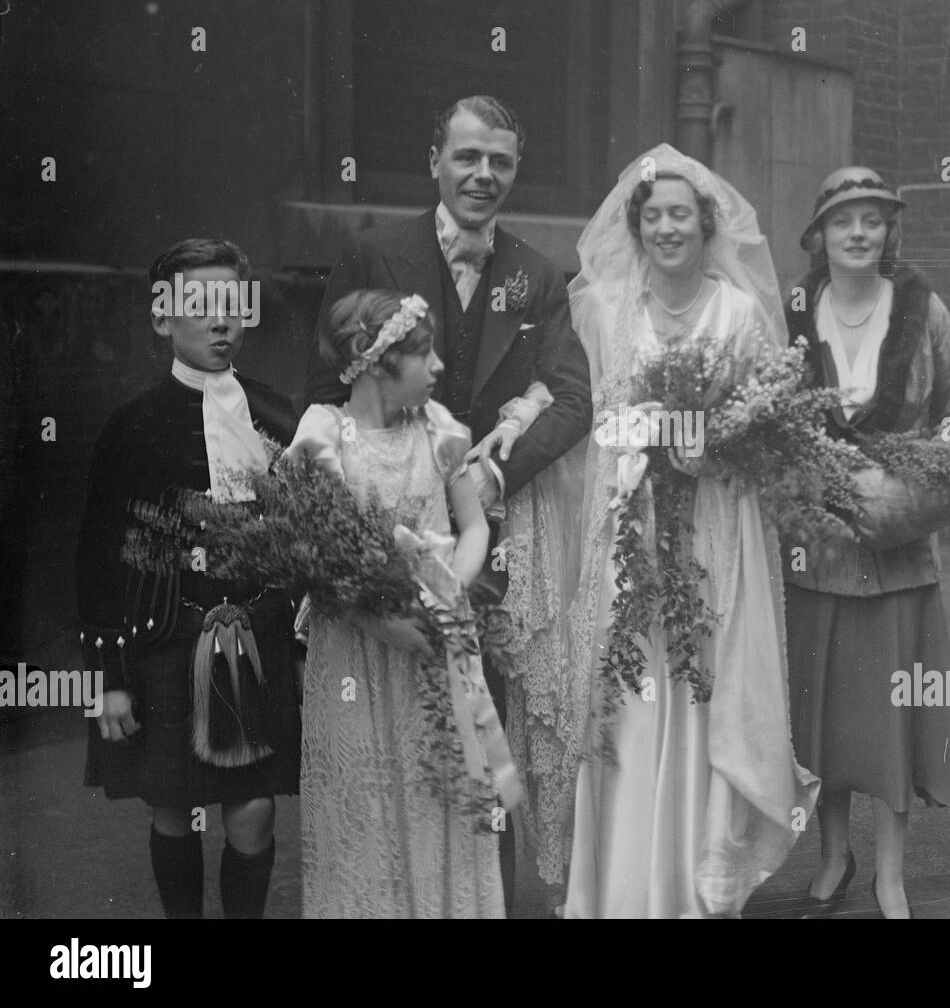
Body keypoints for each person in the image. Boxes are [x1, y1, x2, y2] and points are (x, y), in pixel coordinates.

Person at [302, 95, 591, 910]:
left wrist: (494, 481)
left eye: (500, 161)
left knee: (475, 740)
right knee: (378, 755)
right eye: (468, 157)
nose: (483, 175)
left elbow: (574, 399)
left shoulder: (538, 275)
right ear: (436, 159)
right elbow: (326, 392)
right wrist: (360, 555)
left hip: (482, 546)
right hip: (376, 550)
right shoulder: (370, 255)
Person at [563, 144, 819, 918]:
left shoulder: (739, 313)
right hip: (632, 524)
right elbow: (596, 422)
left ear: (707, 225)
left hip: (714, 525)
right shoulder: (611, 309)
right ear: (635, 225)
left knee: (705, 687)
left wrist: (713, 445)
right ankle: (618, 889)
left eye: (682, 214)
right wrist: (637, 440)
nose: (667, 227)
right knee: (634, 695)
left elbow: (767, 430)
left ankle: (694, 887)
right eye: (653, 214)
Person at [76, 238, 301, 919]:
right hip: (165, 641)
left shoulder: (277, 414)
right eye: (200, 305)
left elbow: (298, 539)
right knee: (172, 808)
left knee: (253, 812)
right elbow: (97, 556)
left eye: (232, 303)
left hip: (255, 640)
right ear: (163, 317)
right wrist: (110, 677)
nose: (221, 320)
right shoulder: (132, 424)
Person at [783, 167, 950, 918]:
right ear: (820, 236)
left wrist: (920, 471)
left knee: (891, 720)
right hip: (821, 549)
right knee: (825, 717)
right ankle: (834, 853)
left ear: (888, 230)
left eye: (873, 218)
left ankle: (891, 874)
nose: (860, 233)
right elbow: (774, 419)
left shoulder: (924, 311)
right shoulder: (796, 311)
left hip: (900, 555)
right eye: (844, 221)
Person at [288, 287, 513, 918]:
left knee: (440, 795)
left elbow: (474, 526)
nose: (439, 366)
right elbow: (318, 560)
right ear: (379, 360)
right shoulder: (323, 435)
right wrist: (387, 624)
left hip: (436, 644)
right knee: (367, 805)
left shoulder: (439, 431)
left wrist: (451, 594)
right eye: (425, 353)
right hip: (358, 651)